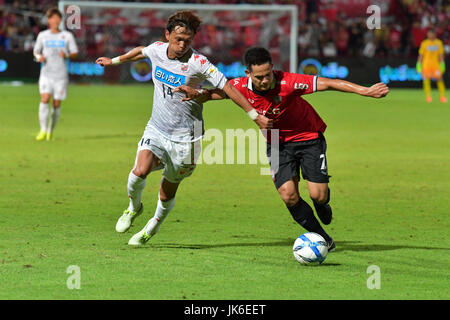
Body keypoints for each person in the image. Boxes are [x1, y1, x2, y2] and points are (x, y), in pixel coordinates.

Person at [175, 47, 389, 251]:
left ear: (272, 68)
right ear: (248, 73)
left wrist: (365, 91)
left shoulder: (289, 81)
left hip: (309, 137)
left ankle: (323, 204)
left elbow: (329, 83)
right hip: (276, 143)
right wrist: (197, 93)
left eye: (268, 74)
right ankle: (324, 239)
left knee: (318, 195)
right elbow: (215, 94)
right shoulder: (239, 86)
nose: (265, 80)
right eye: (259, 77)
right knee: (289, 196)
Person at [95, 11, 272, 246]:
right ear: (167, 35)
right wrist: (114, 61)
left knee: (166, 191)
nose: (182, 45)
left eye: (187, 41)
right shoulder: (157, 49)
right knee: (139, 172)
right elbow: (140, 51)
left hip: (186, 137)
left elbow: (228, 87)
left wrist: (254, 115)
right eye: (177, 39)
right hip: (156, 128)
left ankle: (152, 227)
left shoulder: (198, 63)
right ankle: (133, 208)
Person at [33, 7, 78, 141]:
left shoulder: (67, 36)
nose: (55, 21)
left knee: (56, 104)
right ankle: (43, 129)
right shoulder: (42, 35)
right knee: (45, 99)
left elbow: (75, 53)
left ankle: (50, 131)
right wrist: (39, 57)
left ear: (60, 20)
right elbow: (35, 52)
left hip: (60, 75)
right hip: (46, 74)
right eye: (52, 18)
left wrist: (67, 55)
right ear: (48, 20)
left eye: (57, 18)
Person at [416, 28, 447, 103]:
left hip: (436, 65)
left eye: (431, 33)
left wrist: (442, 63)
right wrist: (418, 64)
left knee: (440, 80)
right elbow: (421, 55)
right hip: (426, 65)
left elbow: (440, 55)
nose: (430, 35)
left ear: (434, 34)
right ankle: (428, 97)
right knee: (426, 80)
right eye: (428, 34)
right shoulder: (424, 43)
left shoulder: (438, 43)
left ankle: (442, 97)